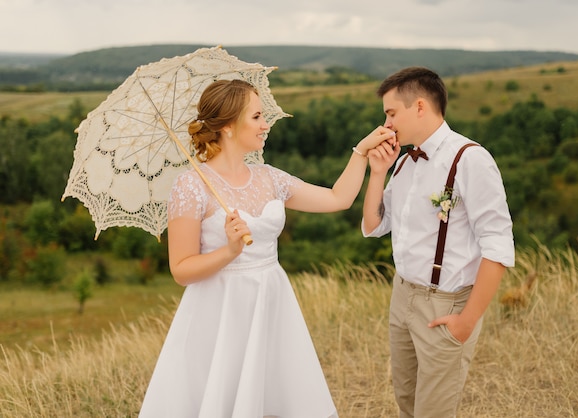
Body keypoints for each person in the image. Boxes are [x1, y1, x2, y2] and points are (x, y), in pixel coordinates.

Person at [138, 79, 396, 418]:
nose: (266, 124)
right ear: (228, 126)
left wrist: (361, 153)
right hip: (220, 311)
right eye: (258, 117)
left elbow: (338, 198)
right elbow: (181, 269)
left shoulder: (269, 178)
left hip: (272, 299)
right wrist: (229, 251)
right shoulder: (191, 186)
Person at [361, 67, 515, 418]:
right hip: (403, 298)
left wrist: (467, 320)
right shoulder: (403, 164)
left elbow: (498, 245)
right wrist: (377, 172)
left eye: (390, 113)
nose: (385, 124)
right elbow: (373, 225)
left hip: (446, 304)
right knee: (407, 403)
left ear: (419, 106)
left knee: (434, 412)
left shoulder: (470, 159)